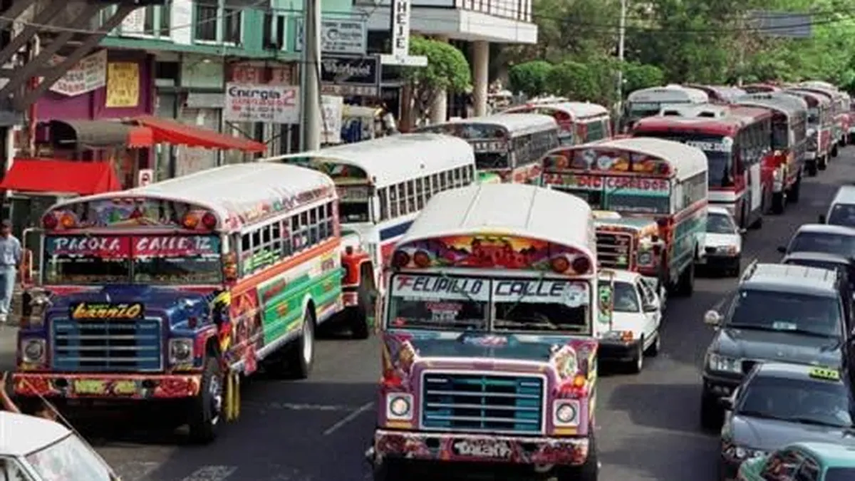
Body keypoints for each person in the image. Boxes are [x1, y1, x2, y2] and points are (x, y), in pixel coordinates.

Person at [0, 220, 21, 324]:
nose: (5, 229)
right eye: (3, 227)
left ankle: (3, 312)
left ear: (10, 229)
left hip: (9, 267)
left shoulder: (15, 241)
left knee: (7, 291)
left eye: (6, 227)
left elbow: (18, 256)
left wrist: (19, 269)